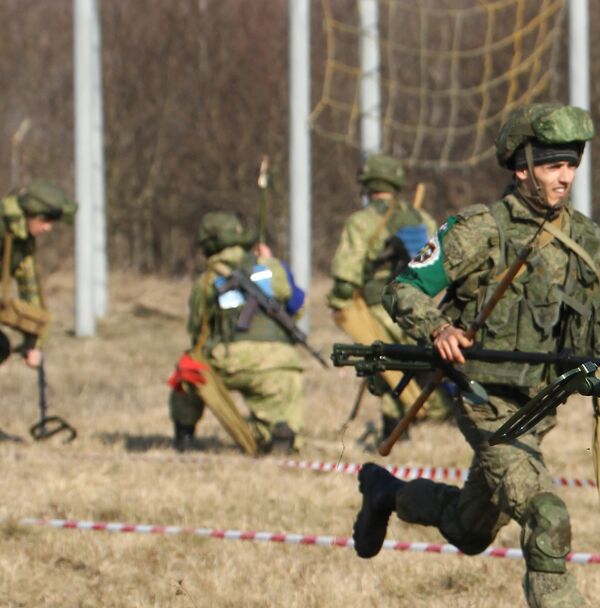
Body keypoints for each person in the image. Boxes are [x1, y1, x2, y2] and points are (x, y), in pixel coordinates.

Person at [356, 103, 600, 608]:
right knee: (546, 511)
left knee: (470, 530)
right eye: (553, 164)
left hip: (540, 410)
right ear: (522, 167)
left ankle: (387, 493)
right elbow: (402, 288)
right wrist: (438, 328)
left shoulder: (584, 239)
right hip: (484, 399)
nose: (564, 176)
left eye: (571, 165)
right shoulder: (479, 230)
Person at [327, 153, 448, 441]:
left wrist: (341, 301)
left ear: (367, 185)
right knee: (414, 363)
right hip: (421, 304)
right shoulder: (422, 218)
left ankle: (394, 429)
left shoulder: (362, 221)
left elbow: (346, 278)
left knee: (387, 367)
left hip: (378, 306)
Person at [169, 211, 306, 453]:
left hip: (230, 360)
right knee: (278, 408)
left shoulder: (206, 281)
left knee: (187, 372)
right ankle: (277, 432)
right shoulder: (271, 269)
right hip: (280, 364)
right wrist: (273, 263)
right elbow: (297, 303)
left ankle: (184, 436)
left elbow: (197, 330)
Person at [0, 180, 76, 368]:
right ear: (31, 214)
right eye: (45, 220)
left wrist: (33, 343)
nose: (47, 228)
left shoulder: (22, 242)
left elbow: (31, 291)